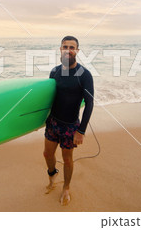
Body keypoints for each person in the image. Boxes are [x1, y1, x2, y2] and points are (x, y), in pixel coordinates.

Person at [43, 35, 94, 206]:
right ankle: (52, 175)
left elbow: (89, 102)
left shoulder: (84, 74)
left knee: (67, 159)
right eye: (65, 47)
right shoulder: (55, 71)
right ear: (60, 49)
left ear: (77, 51)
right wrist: (39, 120)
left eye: (72, 47)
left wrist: (81, 131)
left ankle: (66, 187)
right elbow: (48, 98)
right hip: (53, 122)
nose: (68, 50)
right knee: (47, 154)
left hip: (70, 125)